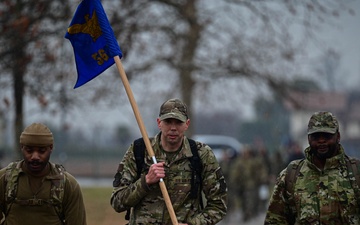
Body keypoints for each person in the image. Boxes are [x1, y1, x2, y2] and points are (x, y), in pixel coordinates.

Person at [111, 98, 227, 225]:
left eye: (178, 122)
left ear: (187, 124)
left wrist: (194, 224)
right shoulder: (139, 150)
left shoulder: (201, 154)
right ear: (159, 123)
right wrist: (145, 181)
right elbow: (117, 202)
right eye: (168, 122)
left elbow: (218, 205)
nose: (173, 128)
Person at [264, 111, 360, 224]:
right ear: (308, 139)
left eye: (327, 136)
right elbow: (275, 220)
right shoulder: (291, 175)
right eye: (316, 136)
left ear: (338, 137)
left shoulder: (356, 171)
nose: (321, 141)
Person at [0, 123, 87, 225]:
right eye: (29, 150)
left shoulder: (68, 184)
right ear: (21, 147)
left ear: (51, 148)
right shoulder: (4, 179)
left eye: (41, 151)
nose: (35, 156)